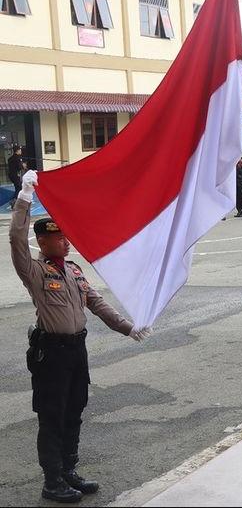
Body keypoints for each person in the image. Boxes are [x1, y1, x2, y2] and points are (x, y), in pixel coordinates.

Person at [11, 171, 151, 503]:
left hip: (76, 351)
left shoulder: (73, 270)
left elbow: (96, 302)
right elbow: (16, 240)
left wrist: (127, 327)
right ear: (43, 242)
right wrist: (25, 197)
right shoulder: (35, 271)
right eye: (59, 238)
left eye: (66, 237)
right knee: (52, 415)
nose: (66, 241)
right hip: (52, 354)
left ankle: (69, 470)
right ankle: (52, 480)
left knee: (75, 410)